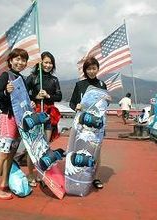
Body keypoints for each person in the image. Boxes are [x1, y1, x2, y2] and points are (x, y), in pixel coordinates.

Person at [0, 48, 35, 200]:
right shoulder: (5, 76)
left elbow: (23, 100)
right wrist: (6, 92)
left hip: (19, 120)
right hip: (7, 118)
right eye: (17, 59)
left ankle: (4, 182)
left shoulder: (21, 79)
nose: (20, 62)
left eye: (23, 60)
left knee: (11, 154)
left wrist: (31, 104)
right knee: (2, 154)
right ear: (10, 60)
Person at [69, 56, 107, 189]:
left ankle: (95, 177)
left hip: (97, 124)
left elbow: (103, 105)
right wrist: (76, 107)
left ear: (97, 69)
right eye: (89, 69)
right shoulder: (80, 85)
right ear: (85, 70)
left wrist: (107, 100)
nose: (91, 71)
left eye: (94, 68)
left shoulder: (102, 85)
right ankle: (79, 175)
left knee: (96, 150)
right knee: (80, 148)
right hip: (82, 123)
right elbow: (72, 103)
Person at [26, 51, 62, 186]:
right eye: (45, 62)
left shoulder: (54, 80)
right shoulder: (33, 77)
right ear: (40, 63)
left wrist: (47, 96)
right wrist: (35, 98)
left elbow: (58, 96)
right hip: (35, 114)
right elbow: (23, 93)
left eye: (50, 63)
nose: (48, 65)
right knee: (32, 146)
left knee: (44, 146)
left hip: (48, 116)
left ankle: (41, 172)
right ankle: (30, 174)